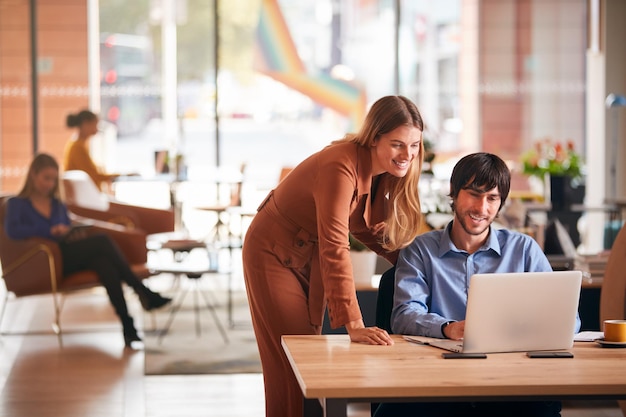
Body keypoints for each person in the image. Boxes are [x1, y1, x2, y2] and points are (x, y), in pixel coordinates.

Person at [242, 95, 426, 417]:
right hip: (271, 252)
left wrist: (417, 263)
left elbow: (363, 226)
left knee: (305, 366)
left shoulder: (377, 170)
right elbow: (335, 244)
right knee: (294, 360)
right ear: (374, 137)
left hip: (306, 256)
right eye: (398, 144)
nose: (407, 154)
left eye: (414, 145)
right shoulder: (339, 165)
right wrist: (354, 323)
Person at [374, 152, 581, 417]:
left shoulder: (524, 250)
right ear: (454, 192)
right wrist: (447, 328)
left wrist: (527, 329)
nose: (481, 208)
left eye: (492, 198)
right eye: (473, 193)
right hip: (436, 382)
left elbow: (567, 320)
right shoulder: (421, 251)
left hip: (512, 382)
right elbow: (403, 315)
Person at [4, 153, 171, 348]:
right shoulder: (16, 204)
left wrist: (66, 230)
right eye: (45, 178)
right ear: (33, 175)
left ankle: (128, 327)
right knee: (101, 242)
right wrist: (48, 231)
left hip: (67, 252)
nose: (49, 184)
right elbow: (13, 231)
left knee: (105, 265)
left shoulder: (56, 203)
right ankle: (142, 291)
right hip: (45, 262)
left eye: (53, 179)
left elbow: (65, 224)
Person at [63, 109, 119, 191]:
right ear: (85, 124)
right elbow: (92, 175)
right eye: (95, 125)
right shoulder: (77, 147)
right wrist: (118, 176)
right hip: (82, 196)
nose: (96, 129)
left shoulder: (80, 144)